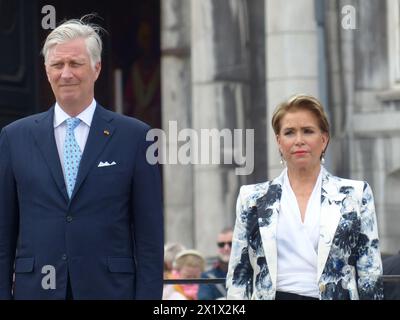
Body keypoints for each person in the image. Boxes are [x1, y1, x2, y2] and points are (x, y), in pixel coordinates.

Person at [0, 16, 163, 300]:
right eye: (57, 65)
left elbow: (149, 238)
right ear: (46, 70)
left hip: (111, 292)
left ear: (97, 68)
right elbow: (3, 234)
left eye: (75, 64)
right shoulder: (14, 137)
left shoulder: (136, 137)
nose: (66, 74)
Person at [226, 94, 383, 300]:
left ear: (324, 139)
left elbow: (369, 271)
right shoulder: (252, 198)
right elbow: (239, 275)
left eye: (308, 131)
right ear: (279, 142)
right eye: (290, 132)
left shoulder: (355, 194)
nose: (299, 140)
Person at [198, 227, 233, 300]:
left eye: (231, 244)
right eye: (221, 244)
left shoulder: (250, 273)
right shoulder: (207, 276)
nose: (226, 248)